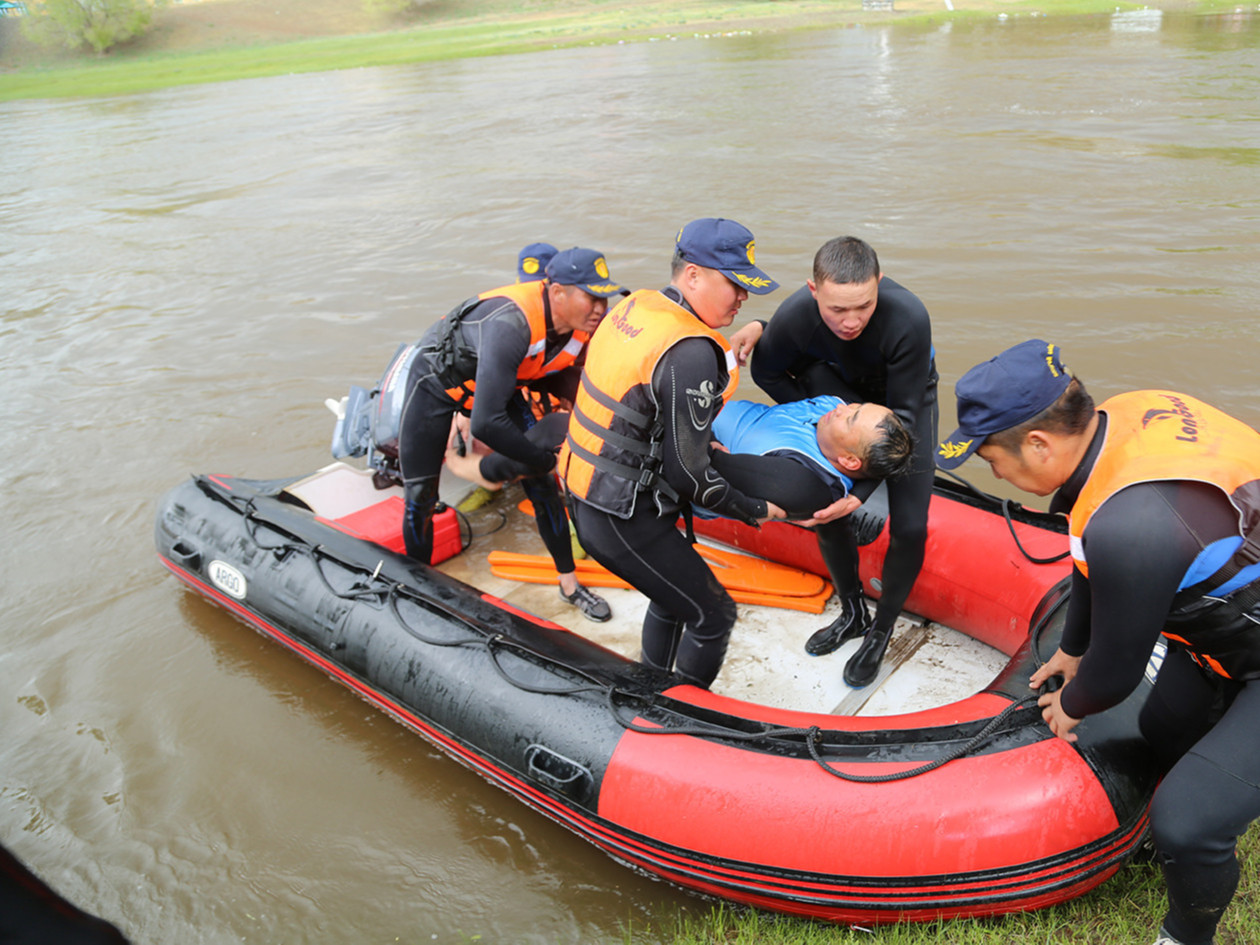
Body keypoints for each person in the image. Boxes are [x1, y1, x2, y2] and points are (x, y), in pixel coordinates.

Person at [936, 339, 1260, 945]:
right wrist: (1072, 644)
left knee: (1187, 823)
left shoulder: (1134, 525)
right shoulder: (1129, 416)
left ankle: (1186, 935)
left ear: (1038, 443)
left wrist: (1074, 701)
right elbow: (1087, 552)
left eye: (991, 458)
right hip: (1230, 634)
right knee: (1164, 733)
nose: (996, 473)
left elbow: (1117, 671)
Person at [558, 218, 787, 688]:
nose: (743, 297)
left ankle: (651, 682)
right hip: (617, 514)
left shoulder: (638, 306)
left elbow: (641, 411)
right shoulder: (691, 351)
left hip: (584, 488)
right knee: (714, 615)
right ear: (694, 275)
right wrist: (756, 510)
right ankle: (679, 715)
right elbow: (689, 476)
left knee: (671, 597)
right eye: (735, 284)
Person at [731, 236, 938, 687]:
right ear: (813, 290)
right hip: (839, 401)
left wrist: (859, 491)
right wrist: (815, 417)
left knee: (910, 526)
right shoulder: (795, 314)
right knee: (826, 505)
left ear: (879, 284)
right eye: (836, 310)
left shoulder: (907, 318)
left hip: (904, 409)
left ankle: (880, 632)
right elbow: (766, 371)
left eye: (862, 306)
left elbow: (902, 421)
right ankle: (852, 613)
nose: (851, 321)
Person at [398, 246, 625, 622]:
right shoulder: (511, 325)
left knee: (543, 486)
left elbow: (574, 381)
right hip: (438, 384)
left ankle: (570, 585)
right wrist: (540, 457)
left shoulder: (581, 327)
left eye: (604, 296)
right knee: (420, 494)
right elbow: (487, 423)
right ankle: (418, 590)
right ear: (557, 293)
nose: (600, 307)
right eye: (591, 296)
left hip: (501, 383)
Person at [709, 395, 915, 519]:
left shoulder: (804, 480)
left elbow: (698, 460)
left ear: (849, 461)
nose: (842, 408)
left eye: (850, 419)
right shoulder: (832, 406)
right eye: (858, 406)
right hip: (700, 403)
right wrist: (759, 327)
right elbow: (769, 369)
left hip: (686, 439)